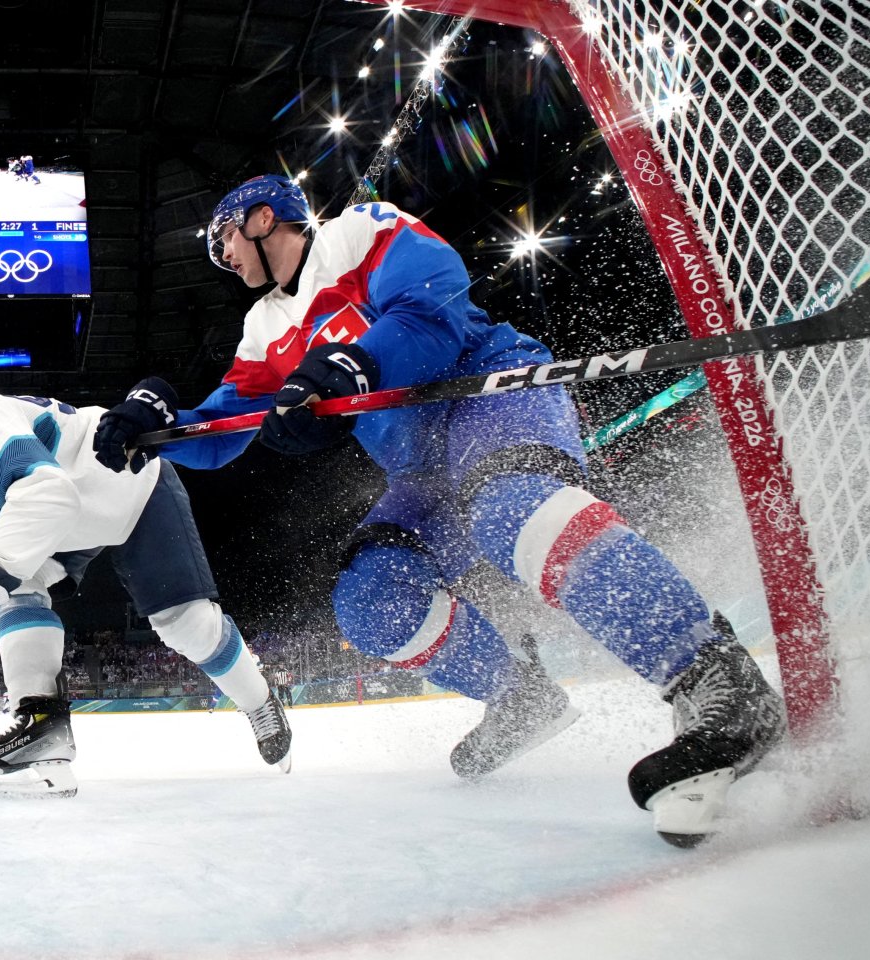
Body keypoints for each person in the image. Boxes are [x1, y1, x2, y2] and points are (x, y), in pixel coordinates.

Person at [91, 174, 785, 845]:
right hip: (425, 470)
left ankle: (716, 677)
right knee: (370, 599)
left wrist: (352, 366)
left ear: (262, 217)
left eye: (225, 239)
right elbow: (223, 432)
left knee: (510, 508)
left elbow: (433, 311)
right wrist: (156, 429)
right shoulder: (265, 325)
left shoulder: (357, 232)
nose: (223, 256)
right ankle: (521, 697)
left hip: (488, 395)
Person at [0, 356, 292, 799]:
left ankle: (260, 701)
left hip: (125, 483)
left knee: (187, 626)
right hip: (68, 519)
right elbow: (14, 528)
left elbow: (46, 492)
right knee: (13, 587)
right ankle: (43, 734)